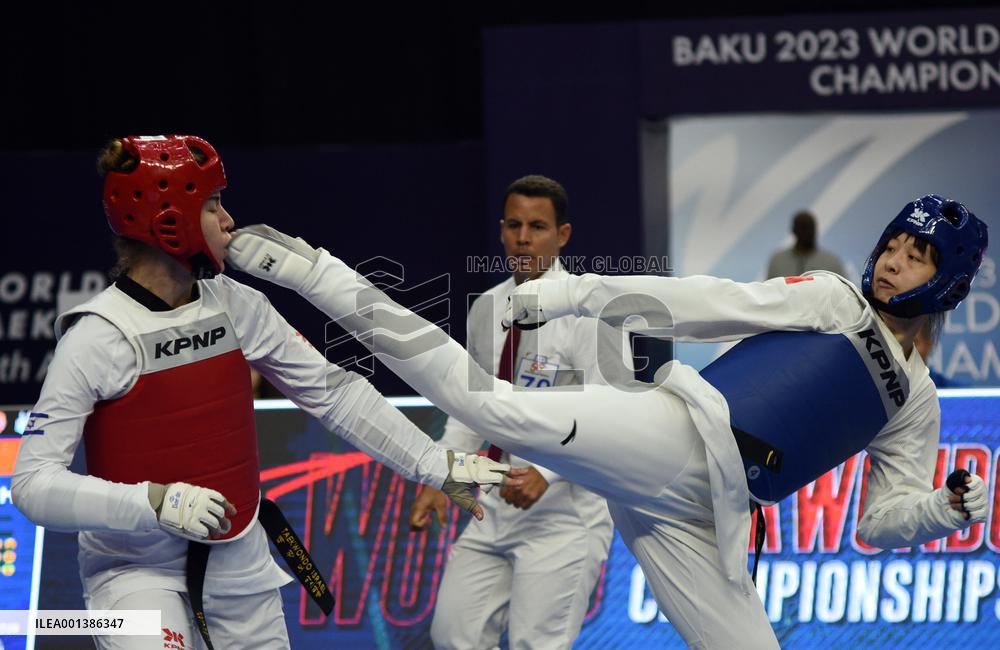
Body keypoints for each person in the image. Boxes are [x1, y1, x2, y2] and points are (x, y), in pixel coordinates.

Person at [226, 194, 988, 648]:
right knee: (484, 402)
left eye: (916, 256)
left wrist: (944, 511)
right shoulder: (834, 299)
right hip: (674, 439)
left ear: (946, 280)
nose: (892, 261)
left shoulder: (913, 400)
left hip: (709, 521)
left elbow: (879, 523)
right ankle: (314, 271)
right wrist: (575, 293)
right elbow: (701, 302)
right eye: (892, 243)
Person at [11, 135, 514, 650]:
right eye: (212, 206)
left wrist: (436, 464)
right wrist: (154, 502)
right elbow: (32, 484)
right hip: (133, 571)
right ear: (169, 218)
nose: (229, 221)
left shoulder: (236, 304)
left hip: (239, 558)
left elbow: (333, 394)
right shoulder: (97, 336)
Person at [408, 175, 632, 649]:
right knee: (452, 636)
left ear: (563, 235)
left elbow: (615, 411)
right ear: (501, 230)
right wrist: (441, 479)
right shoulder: (488, 307)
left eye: (537, 226)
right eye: (514, 225)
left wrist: (545, 474)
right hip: (493, 505)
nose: (524, 238)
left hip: (566, 514)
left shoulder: (591, 311)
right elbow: (471, 409)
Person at [766, 210, 845, 278]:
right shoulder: (778, 261)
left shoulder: (831, 262)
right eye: (802, 228)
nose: (806, 233)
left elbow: (844, 291)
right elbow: (769, 292)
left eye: (809, 228)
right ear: (794, 230)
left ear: (815, 230)